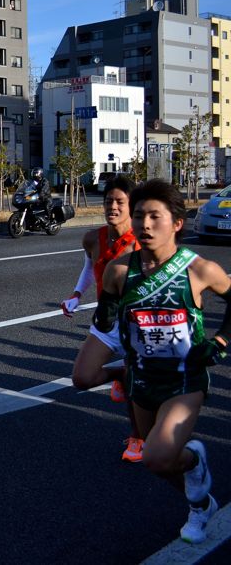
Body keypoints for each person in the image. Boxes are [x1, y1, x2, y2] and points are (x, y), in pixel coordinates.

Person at [93, 179, 231, 544]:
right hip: (142, 378)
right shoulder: (119, 272)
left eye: (155, 216)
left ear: (177, 223)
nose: (145, 224)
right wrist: (105, 314)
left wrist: (219, 340)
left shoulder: (200, 269)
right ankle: (199, 502)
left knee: (155, 455)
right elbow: (106, 314)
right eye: (139, 216)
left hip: (186, 379)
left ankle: (194, 467)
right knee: (162, 463)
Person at [64, 176, 144, 462]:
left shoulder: (141, 243)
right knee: (82, 378)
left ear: (131, 206)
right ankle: (118, 374)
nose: (112, 206)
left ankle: (137, 438)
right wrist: (76, 295)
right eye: (109, 200)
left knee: (138, 387)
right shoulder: (92, 237)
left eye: (120, 202)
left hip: (137, 324)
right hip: (106, 321)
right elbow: (89, 269)